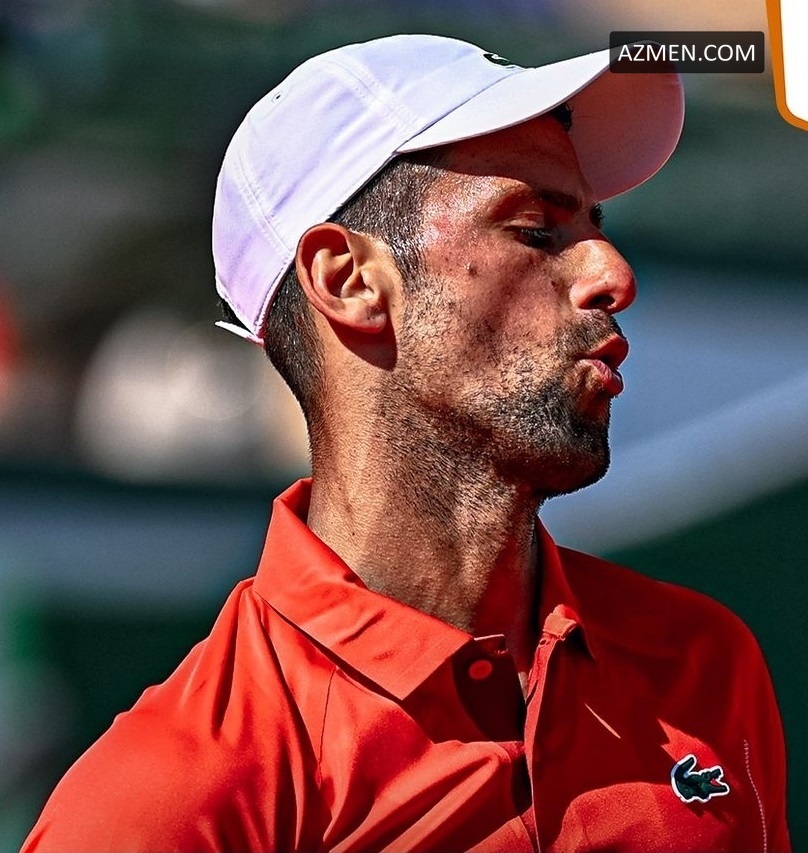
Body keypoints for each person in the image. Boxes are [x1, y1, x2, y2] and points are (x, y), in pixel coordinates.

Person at [23, 33, 790, 853]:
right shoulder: (170, 795)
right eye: (537, 231)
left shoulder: (704, 661)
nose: (614, 274)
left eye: (594, 224)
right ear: (348, 281)